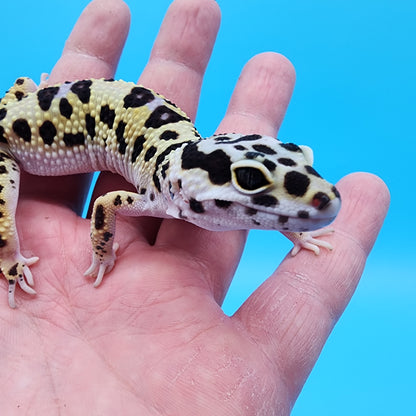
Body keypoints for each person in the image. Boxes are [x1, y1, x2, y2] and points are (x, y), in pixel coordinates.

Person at [0, 0, 389, 414]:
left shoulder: (184, 182)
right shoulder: (157, 194)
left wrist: (292, 225)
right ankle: (6, 259)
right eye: (252, 181)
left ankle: (26, 94)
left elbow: (248, 206)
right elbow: (107, 203)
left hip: (80, 110)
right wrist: (102, 251)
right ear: (190, 190)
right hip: (16, 139)